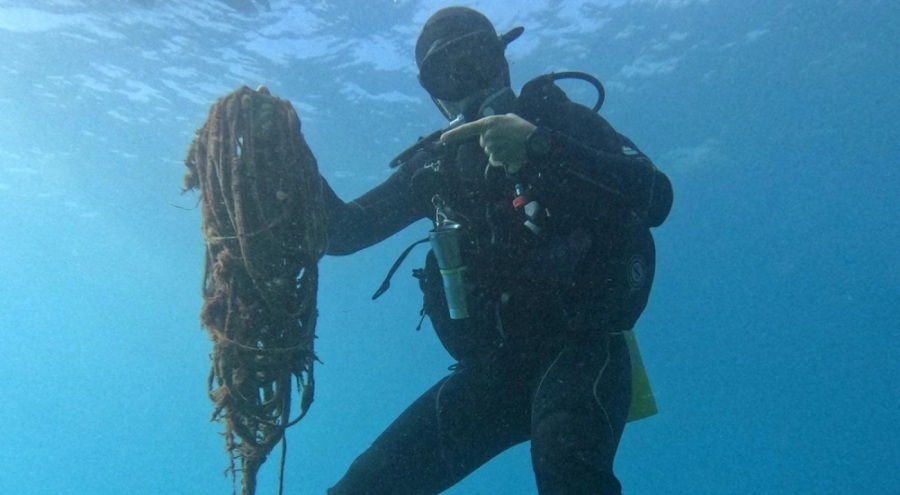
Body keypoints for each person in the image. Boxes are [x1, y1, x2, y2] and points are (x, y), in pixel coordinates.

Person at [320, 6, 673, 494]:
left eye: (476, 61)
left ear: (502, 61)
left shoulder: (558, 121)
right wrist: (284, 152)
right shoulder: (436, 169)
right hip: (493, 372)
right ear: (433, 94)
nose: (466, 82)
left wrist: (540, 147)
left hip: (584, 351)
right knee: (365, 484)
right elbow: (340, 232)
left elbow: (656, 196)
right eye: (447, 75)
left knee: (567, 465)